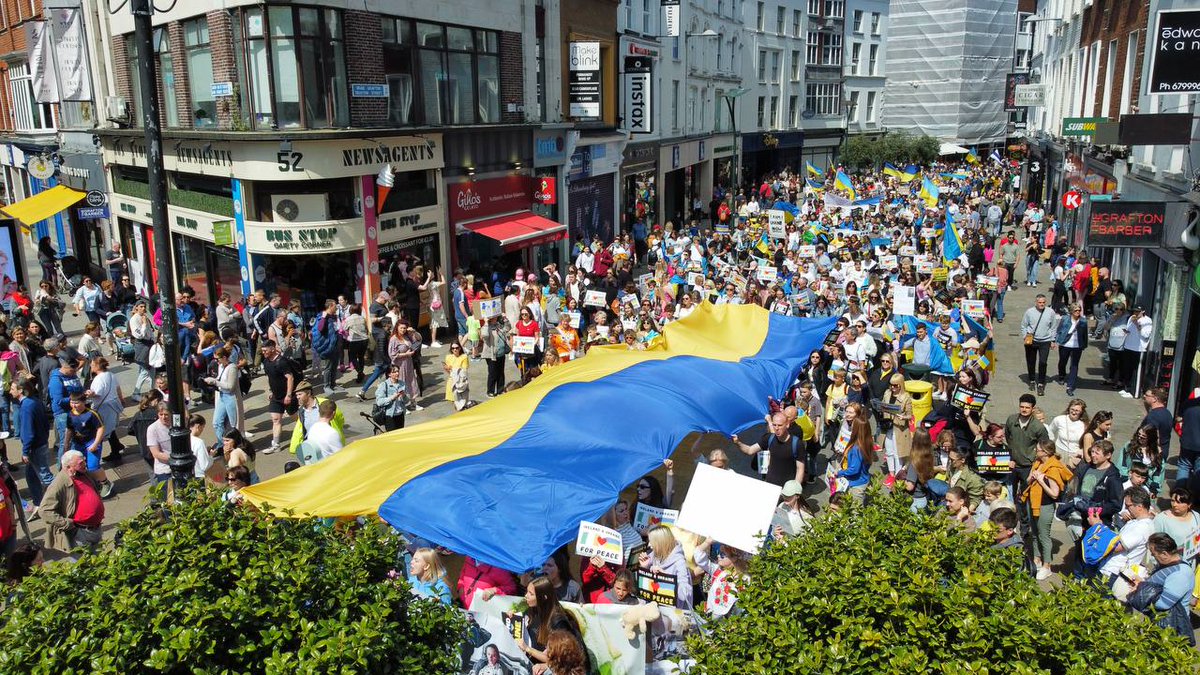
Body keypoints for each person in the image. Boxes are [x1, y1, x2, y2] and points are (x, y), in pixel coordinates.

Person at [1127, 533, 1195, 645]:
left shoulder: (1180, 574)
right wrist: (1142, 583)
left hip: (1170, 627)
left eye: (1154, 554)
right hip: (1160, 621)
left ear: (1164, 554)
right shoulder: (1171, 563)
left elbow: (1163, 604)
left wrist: (1140, 589)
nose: (1152, 557)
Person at [1021, 439, 1070, 580]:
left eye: (1038, 449)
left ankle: (1047, 566)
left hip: (1045, 506)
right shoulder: (1037, 463)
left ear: (1046, 452)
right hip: (1032, 503)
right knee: (1034, 534)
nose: (1035, 451)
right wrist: (1032, 477)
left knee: (1044, 536)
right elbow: (1028, 481)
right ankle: (1036, 560)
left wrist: (1041, 481)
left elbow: (1054, 494)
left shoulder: (1053, 468)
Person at [39, 450, 104, 553]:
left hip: (96, 528)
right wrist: (66, 523)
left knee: (100, 560)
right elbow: (44, 510)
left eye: (84, 461)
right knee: (82, 561)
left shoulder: (84, 473)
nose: (85, 464)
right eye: (81, 463)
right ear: (68, 467)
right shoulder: (59, 483)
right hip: (80, 533)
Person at [1099, 486, 1155, 599]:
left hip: (1114, 573)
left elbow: (1115, 547)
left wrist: (1098, 527)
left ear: (1139, 507)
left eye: (1128, 505)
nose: (1126, 509)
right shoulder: (1139, 522)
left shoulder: (1141, 527)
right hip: (1114, 572)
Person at [1004, 393, 1048, 531]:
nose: (1024, 409)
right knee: (1008, 495)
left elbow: (1045, 446)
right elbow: (1008, 437)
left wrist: (1035, 462)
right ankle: (1008, 524)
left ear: (1032, 409)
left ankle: (1024, 528)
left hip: (1028, 467)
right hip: (1012, 465)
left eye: (1027, 407)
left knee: (1024, 498)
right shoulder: (1011, 420)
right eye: (1022, 407)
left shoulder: (1038, 427)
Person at [731, 412, 805, 486]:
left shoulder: (797, 444)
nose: (776, 428)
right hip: (770, 484)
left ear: (787, 425)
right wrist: (738, 442)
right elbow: (750, 450)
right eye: (774, 425)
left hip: (787, 488)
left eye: (780, 425)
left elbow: (800, 469)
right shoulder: (769, 438)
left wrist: (795, 488)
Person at [63, 392, 113, 499]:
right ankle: (92, 484)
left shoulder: (92, 414)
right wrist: (66, 445)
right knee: (80, 466)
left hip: (91, 442)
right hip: (78, 444)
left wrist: (96, 443)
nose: (74, 405)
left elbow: (101, 428)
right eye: (72, 402)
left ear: (84, 402)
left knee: (93, 466)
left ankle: (105, 483)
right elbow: (69, 429)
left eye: (76, 403)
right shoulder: (70, 414)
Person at [13, 378, 52, 511]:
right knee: (31, 476)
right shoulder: (35, 401)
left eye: (12, 389)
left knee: (46, 477)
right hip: (41, 443)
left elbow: (28, 432)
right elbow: (46, 424)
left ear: (21, 391)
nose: (10, 391)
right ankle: (38, 503)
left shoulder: (26, 407)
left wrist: (25, 451)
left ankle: (61, 501)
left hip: (35, 448)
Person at [638, 524, 694, 610]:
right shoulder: (654, 554)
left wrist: (666, 577)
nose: (649, 545)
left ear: (661, 543)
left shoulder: (680, 563)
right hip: (653, 609)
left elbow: (685, 594)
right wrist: (645, 567)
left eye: (652, 541)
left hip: (672, 613)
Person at [288, 381, 345, 458]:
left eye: (300, 394)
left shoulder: (325, 404)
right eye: (296, 395)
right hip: (311, 451)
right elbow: (300, 430)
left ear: (308, 393)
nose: (297, 397)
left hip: (329, 449)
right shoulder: (301, 411)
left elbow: (340, 419)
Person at [259, 339, 297, 455]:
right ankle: (276, 445)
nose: (263, 353)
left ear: (272, 348)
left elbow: (290, 378)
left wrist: (288, 395)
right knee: (276, 419)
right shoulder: (266, 362)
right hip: (276, 396)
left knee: (296, 418)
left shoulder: (282, 362)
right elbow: (270, 378)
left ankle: (308, 431)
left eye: (265, 350)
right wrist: (271, 391)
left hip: (287, 395)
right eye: (262, 351)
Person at [1020, 294, 1058, 396]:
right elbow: (1023, 325)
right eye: (1040, 302)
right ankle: (1032, 380)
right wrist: (1025, 336)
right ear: (1036, 302)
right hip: (1032, 340)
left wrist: (1053, 340)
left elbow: (1053, 327)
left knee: (1043, 362)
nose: (1042, 304)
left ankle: (1041, 383)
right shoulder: (1029, 312)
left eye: (1043, 302)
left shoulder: (1050, 312)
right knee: (1031, 361)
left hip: (1045, 341)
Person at [1114, 424, 1165, 497]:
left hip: (1147, 486)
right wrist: (1124, 479)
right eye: (1138, 435)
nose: (1139, 438)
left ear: (1150, 438)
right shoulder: (1129, 446)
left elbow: (1159, 471)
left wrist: (1154, 488)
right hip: (1129, 483)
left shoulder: (1157, 452)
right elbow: (1122, 464)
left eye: (1143, 437)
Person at [878, 373, 913, 478]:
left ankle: (898, 475)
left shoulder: (906, 397)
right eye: (891, 385)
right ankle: (891, 473)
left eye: (895, 385)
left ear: (901, 385)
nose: (892, 387)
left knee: (898, 453)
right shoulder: (887, 393)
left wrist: (903, 417)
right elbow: (882, 405)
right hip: (887, 425)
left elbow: (910, 415)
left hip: (899, 428)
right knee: (889, 451)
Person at [389, 318, 423, 411]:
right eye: (401, 328)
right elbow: (392, 354)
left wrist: (414, 331)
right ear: (397, 328)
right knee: (401, 384)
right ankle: (402, 406)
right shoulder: (393, 339)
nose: (403, 330)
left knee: (411, 382)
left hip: (408, 363)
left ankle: (413, 403)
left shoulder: (407, 336)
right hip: (399, 365)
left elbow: (419, 339)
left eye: (404, 328)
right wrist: (406, 354)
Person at [1153, 487, 1200, 555]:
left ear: (1189, 504)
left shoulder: (1196, 516)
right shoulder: (1161, 519)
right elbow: (1154, 543)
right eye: (1173, 501)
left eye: (1179, 502)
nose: (1175, 505)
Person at [1118, 306, 1153, 399]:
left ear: (1143, 311)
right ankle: (1127, 388)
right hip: (1128, 346)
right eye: (1135, 311)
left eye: (1138, 312)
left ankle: (1135, 393)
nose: (1136, 313)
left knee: (1137, 371)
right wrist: (1126, 331)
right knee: (1127, 369)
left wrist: (1137, 324)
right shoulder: (1131, 318)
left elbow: (1146, 335)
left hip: (1139, 349)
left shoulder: (1147, 321)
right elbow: (1129, 330)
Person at [836, 416, 875, 498]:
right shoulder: (867, 441)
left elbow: (854, 469)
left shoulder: (857, 448)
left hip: (856, 484)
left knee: (854, 505)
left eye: (853, 425)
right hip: (862, 479)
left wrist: (840, 473)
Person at [1054, 304, 1087, 395]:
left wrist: (1084, 345)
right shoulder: (1065, 319)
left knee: (1074, 365)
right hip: (1065, 344)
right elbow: (1059, 330)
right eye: (1076, 310)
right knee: (1062, 362)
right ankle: (1061, 375)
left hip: (1077, 346)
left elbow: (1085, 334)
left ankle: (1070, 386)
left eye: (1079, 310)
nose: (1078, 312)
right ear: (1071, 311)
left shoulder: (1083, 321)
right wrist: (1056, 341)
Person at [1046, 399, 1087, 468]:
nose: (1074, 412)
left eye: (1077, 410)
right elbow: (1050, 431)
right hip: (1059, 452)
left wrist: (1082, 451)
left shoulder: (1084, 424)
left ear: (1081, 412)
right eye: (1072, 409)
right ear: (1069, 408)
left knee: (1071, 474)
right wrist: (1051, 445)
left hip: (1075, 454)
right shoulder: (1059, 419)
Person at [1138, 387, 1172, 468]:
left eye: (1147, 395)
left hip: (1152, 453)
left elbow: (1154, 435)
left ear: (1155, 399)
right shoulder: (1167, 413)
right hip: (1164, 449)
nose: (1144, 396)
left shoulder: (1153, 416)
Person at [479, 315, 512, 398]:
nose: (495, 318)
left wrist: (505, 319)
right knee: (493, 373)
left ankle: (500, 390)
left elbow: (508, 328)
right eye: (493, 317)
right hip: (491, 355)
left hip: (501, 353)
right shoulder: (486, 327)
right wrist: (486, 322)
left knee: (500, 373)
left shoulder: (499, 325)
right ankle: (490, 391)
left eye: (496, 316)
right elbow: (484, 336)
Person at [374, 365, 409, 431]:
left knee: (400, 434)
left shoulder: (402, 384)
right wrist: (392, 397)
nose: (397, 373)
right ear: (389, 374)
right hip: (389, 416)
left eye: (398, 371)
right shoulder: (384, 385)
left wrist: (404, 395)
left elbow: (407, 401)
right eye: (394, 372)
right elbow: (379, 402)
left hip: (400, 414)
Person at [443, 341, 470, 410]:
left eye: (457, 348)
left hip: (460, 382)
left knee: (462, 403)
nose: (455, 349)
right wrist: (447, 369)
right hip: (451, 382)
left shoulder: (464, 357)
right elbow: (450, 373)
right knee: (454, 403)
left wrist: (452, 369)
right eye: (453, 348)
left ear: (460, 348)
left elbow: (463, 372)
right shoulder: (448, 357)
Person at [187, 414, 213, 480]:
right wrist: (211, 456)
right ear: (198, 426)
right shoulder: (199, 442)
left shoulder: (183, 439)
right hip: (198, 477)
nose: (202, 430)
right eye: (203, 427)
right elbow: (204, 466)